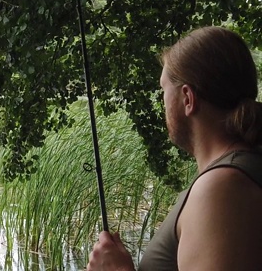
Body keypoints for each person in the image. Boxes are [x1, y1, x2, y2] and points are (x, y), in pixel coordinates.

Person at [87, 26, 262, 271]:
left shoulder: (222, 188)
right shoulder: (238, 172)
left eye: (163, 90)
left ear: (188, 98)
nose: (163, 102)